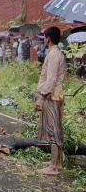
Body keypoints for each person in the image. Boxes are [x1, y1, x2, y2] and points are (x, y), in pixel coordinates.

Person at [35, 27, 66, 175]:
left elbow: (51, 79)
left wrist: (42, 97)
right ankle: (57, 162)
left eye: (44, 37)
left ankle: (53, 167)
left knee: (53, 130)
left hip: (52, 96)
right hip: (56, 95)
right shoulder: (56, 53)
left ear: (48, 38)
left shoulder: (53, 55)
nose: (43, 39)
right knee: (57, 129)